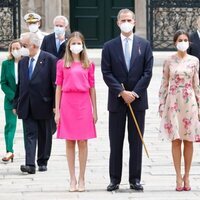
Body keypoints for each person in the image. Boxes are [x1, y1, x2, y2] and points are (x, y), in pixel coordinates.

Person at [101, 8, 153, 191]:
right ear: (117, 23)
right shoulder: (109, 46)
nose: (126, 22)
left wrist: (134, 93)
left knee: (136, 141)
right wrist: (122, 92)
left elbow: (147, 73)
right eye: (123, 20)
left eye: (129, 19)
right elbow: (106, 72)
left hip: (137, 101)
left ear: (134, 22)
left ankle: (135, 179)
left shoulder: (144, 45)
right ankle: (114, 179)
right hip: (117, 101)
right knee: (116, 141)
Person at [54, 31, 97, 192]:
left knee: (83, 141)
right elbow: (58, 87)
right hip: (67, 103)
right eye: (73, 43)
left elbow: (92, 88)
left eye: (79, 43)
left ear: (83, 45)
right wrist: (57, 111)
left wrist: (95, 110)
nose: (76, 46)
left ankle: (82, 178)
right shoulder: (61, 64)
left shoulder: (89, 64)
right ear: (68, 45)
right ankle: (72, 178)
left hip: (83, 103)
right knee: (70, 141)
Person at [159, 29, 200, 191]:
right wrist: (162, 105)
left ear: (189, 42)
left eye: (185, 40)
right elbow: (164, 83)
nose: (182, 42)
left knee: (189, 139)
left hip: (189, 101)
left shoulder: (194, 61)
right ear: (175, 42)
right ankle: (177, 175)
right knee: (176, 139)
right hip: (173, 101)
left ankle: (187, 175)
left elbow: (197, 84)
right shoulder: (169, 61)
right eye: (180, 40)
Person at [13, 32, 57, 174]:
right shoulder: (22, 62)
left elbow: (55, 85)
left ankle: (43, 161)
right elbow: (20, 85)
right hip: (26, 104)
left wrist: (56, 105)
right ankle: (30, 164)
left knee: (45, 134)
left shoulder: (50, 60)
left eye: (24, 45)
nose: (21, 48)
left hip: (45, 104)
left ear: (34, 45)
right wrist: (16, 103)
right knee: (30, 134)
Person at [0, 40, 22, 162]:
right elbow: (3, 83)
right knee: (10, 125)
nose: (15, 50)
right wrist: (13, 96)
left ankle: (29, 152)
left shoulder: (26, 62)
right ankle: (9, 151)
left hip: (25, 99)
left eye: (17, 48)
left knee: (28, 127)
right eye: (13, 48)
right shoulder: (6, 64)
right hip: (10, 99)